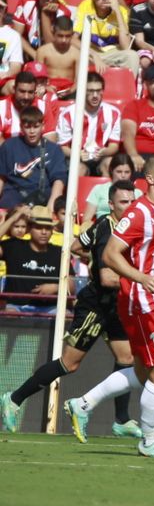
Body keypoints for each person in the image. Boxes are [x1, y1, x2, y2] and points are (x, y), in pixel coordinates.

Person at [67, 155, 154, 458]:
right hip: (139, 300)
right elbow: (110, 254)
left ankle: (82, 404)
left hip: (148, 298)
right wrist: (141, 277)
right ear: (151, 179)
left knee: (145, 372)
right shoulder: (139, 212)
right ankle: (149, 440)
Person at [0, 186, 140, 436]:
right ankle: (13, 399)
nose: (129, 206)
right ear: (111, 204)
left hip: (116, 303)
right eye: (123, 202)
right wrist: (143, 279)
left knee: (126, 358)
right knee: (69, 363)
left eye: (132, 201)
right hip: (97, 304)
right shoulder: (108, 232)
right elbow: (108, 279)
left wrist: (94, 259)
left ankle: (121, 419)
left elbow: (77, 246)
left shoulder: (106, 225)